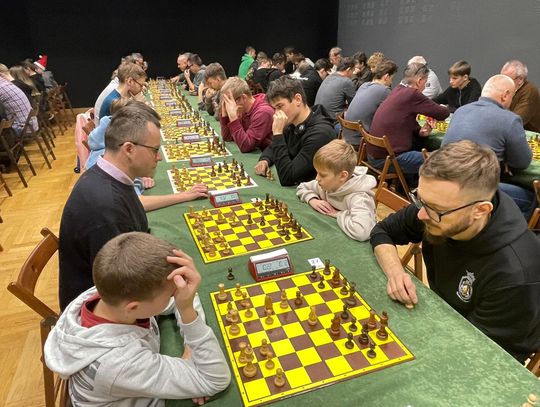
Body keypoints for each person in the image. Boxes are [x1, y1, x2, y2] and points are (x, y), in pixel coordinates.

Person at [369, 140, 540, 363]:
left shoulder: (514, 275)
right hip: (441, 320)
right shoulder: (439, 208)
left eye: (435, 209)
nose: (421, 215)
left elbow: (482, 357)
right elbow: (382, 231)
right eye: (420, 199)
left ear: (480, 210)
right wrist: (395, 272)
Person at [45, 232, 231, 406]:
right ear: (133, 308)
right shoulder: (120, 364)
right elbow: (215, 379)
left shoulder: (109, 294)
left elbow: (184, 294)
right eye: (170, 295)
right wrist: (187, 310)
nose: (175, 295)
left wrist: (190, 347)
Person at [59, 102, 207, 310]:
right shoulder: (105, 209)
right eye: (154, 150)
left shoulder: (110, 176)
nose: (159, 157)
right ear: (128, 149)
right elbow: (123, 288)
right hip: (101, 309)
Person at [442, 74, 535, 217]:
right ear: (505, 95)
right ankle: (507, 230)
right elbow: (522, 162)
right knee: (532, 199)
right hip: (473, 192)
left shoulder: (461, 111)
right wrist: (504, 160)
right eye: (512, 97)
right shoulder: (510, 119)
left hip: (446, 184)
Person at [368, 63, 450, 184]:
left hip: (374, 155)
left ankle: (409, 186)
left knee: (420, 145)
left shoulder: (397, 90)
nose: (425, 87)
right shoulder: (412, 94)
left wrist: (419, 131)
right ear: (419, 80)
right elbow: (442, 113)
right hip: (388, 159)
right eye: (425, 82)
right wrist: (444, 108)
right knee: (441, 159)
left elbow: (403, 119)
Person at [255, 76, 336, 186]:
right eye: (274, 108)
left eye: (280, 106)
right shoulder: (293, 122)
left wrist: (277, 133)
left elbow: (287, 177)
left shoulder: (320, 134)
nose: (276, 114)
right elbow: (273, 147)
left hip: (316, 191)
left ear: (298, 99)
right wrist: (265, 160)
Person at [297, 139, 376, 241]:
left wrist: (337, 213)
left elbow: (362, 232)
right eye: (317, 173)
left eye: (322, 175)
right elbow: (302, 187)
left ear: (342, 176)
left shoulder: (359, 198)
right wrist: (312, 200)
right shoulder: (328, 183)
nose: (317, 178)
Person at [343, 59, 398, 147]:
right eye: (392, 78)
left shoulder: (364, 85)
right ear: (386, 76)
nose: (391, 82)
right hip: (360, 142)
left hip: (346, 138)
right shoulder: (385, 91)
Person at [219, 77, 274, 153]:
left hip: (269, 156)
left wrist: (233, 118)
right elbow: (227, 137)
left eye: (230, 101)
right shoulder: (242, 108)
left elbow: (245, 146)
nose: (228, 105)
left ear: (243, 98)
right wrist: (225, 115)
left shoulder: (263, 112)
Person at [500, 60, 540, 132]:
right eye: (501, 78)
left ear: (520, 80)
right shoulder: (506, 89)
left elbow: (516, 121)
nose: (502, 82)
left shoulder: (530, 91)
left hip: (530, 134)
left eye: (507, 79)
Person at [314, 57, 356, 121]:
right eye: (353, 71)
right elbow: (353, 104)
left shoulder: (328, 77)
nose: (353, 73)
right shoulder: (346, 81)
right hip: (332, 121)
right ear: (348, 69)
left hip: (318, 117)